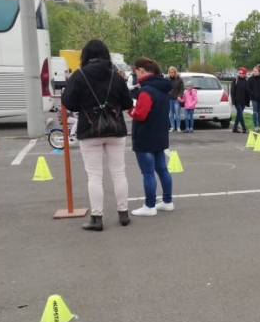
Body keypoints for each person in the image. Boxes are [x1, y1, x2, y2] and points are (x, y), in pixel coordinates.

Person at [61, 39, 133, 231]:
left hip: (90, 130)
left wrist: (85, 107)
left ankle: (97, 218)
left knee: (94, 176)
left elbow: (68, 102)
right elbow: (127, 103)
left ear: (85, 55)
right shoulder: (115, 76)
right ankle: (123, 213)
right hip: (116, 130)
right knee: (118, 173)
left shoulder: (79, 75)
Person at [128, 57, 174, 217]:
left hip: (145, 136)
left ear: (141, 70)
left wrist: (129, 110)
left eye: (135, 72)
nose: (135, 76)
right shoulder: (162, 88)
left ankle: (149, 205)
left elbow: (140, 115)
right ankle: (167, 201)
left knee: (147, 172)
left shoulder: (146, 91)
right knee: (162, 169)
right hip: (160, 134)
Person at [248, 64, 260, 131]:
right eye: (254, 71)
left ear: (259, 72)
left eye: (256, 71)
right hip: (254, 98)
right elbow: (249, 88)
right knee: (255, 112)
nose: (254, 72)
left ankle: (259, 125)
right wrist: (252, 94)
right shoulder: (251, 79)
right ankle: (255, 125)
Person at [230, 67, 250, 133]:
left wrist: (248, 101)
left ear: (245, 74)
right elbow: (232, 91)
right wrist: (233, 100)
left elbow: (247, 92)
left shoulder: (246, 81)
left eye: (242, 73)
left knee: (239, 114)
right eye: (240, 73)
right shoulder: (235, 80)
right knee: (240, 114)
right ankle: (244, 128)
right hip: (237, 100)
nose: (241, 74)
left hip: (243, 101)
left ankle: (235, 128)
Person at [167, 66, 184, 132]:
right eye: (170, 72)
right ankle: (172, 127)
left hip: (176, 98)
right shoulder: (167, 79)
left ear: (175, 72)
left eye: (172, 72)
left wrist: (180, 96)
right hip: (169, 98)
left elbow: (182, 89)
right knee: (171, 113)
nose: (171, 73)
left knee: (177, 113)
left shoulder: (179, 79)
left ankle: (178, 127)